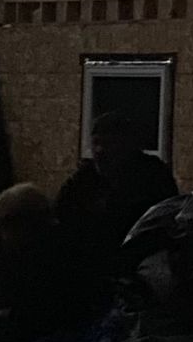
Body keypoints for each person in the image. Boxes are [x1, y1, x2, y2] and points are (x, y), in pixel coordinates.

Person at [56, 111, 179, 297]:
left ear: (127, 146)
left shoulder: (152, 177)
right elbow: (61, 217)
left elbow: (164, 226)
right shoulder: (83, 179)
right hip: (89, 271)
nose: (100, 151)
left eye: (108, 143)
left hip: (139, 270)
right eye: (96, 143)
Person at [0, 182, 104, 342]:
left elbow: (31, 319)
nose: (4, 239)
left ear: (20, 225)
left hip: (49, 341)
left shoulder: (36, 258)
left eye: (5, 231)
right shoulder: (68, 242)